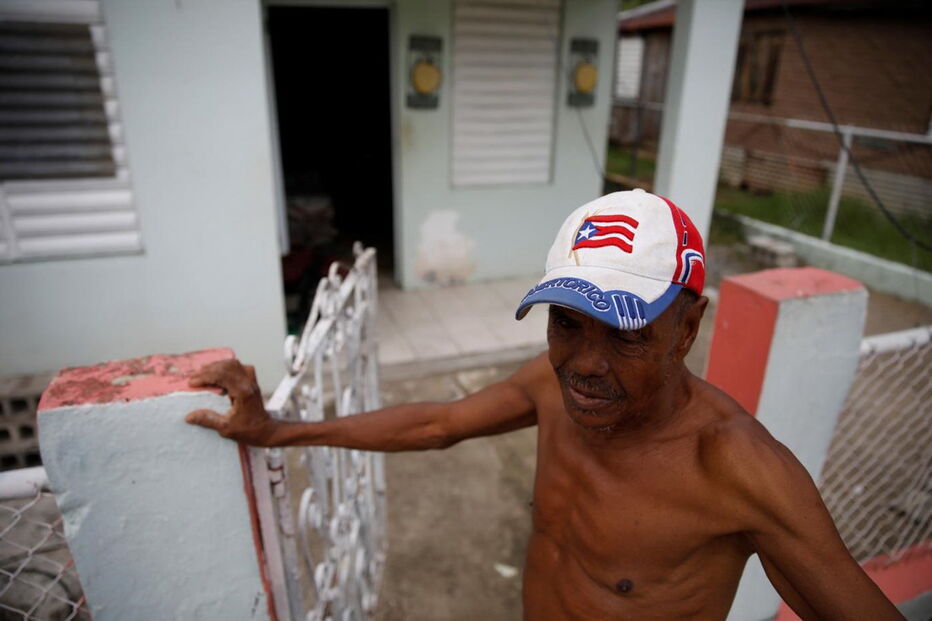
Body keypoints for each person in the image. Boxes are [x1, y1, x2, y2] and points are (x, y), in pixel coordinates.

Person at [187, 190, 902, 620]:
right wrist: (278, 429)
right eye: (567, 323)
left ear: (687, 327)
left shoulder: (737, 469)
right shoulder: (551, 386)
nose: (585, 365)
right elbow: (438, 421)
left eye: (625, 335)